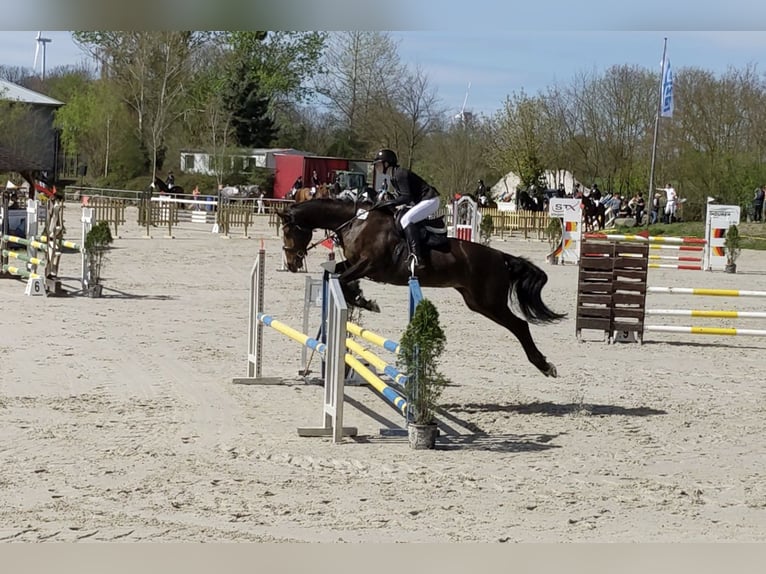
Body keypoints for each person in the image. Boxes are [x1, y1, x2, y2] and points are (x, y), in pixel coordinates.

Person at [372, 148, 440, 271]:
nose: (376, 167)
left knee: (406, 219)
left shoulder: (399, 174)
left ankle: (417, 256)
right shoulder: (393, 176)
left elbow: (407, 197)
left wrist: (389, 202)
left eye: (378, 164)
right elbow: (402, 197)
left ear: (386, 164)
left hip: (430, 200)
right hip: (420, 200)